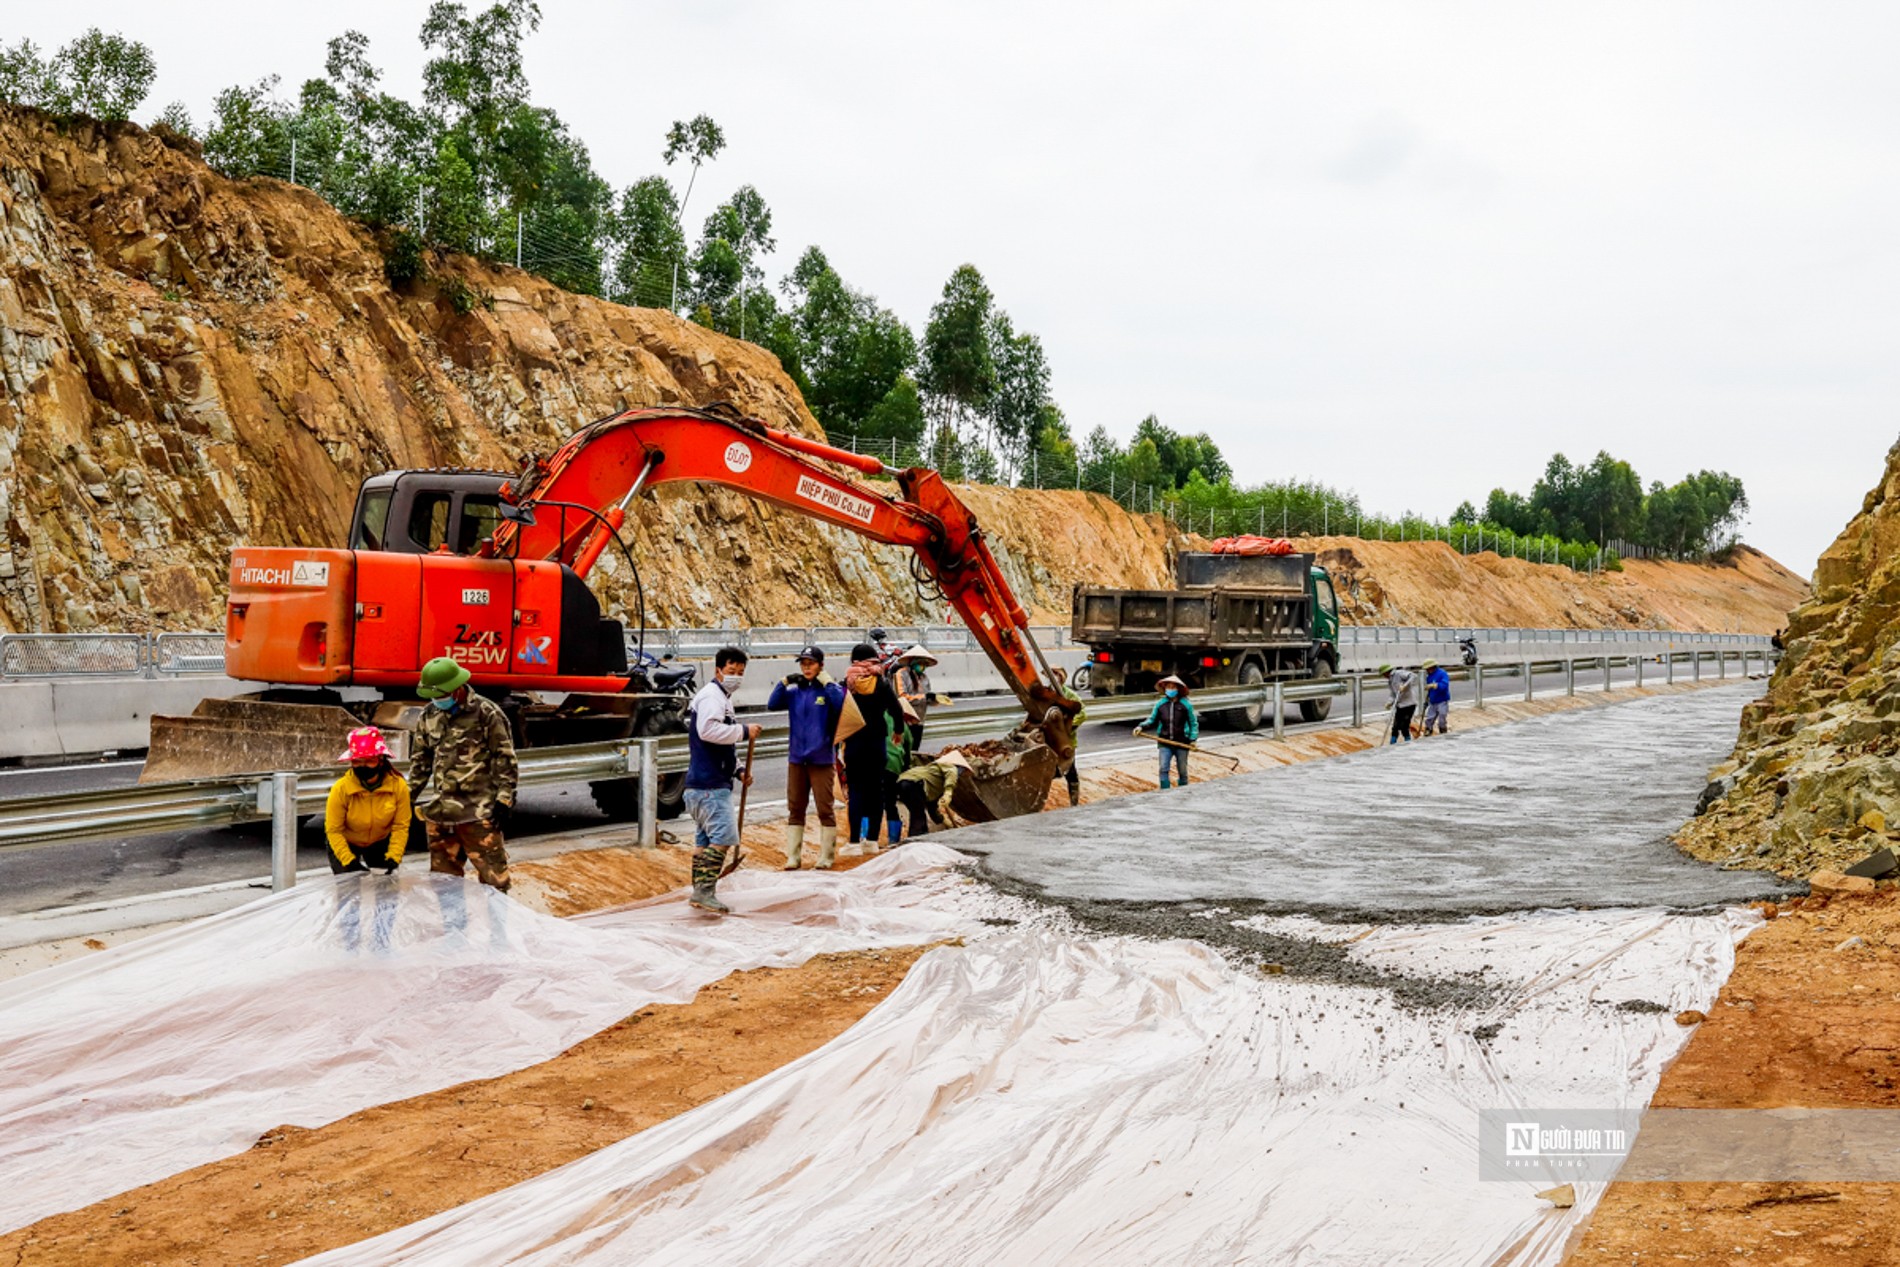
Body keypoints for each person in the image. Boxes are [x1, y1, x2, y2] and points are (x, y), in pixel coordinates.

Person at [411, 657, 517, 891]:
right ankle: (452, 927)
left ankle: (496, 928)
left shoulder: (486, 713)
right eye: (434, 697)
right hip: (441, 815)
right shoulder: (428, 716)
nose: (438, 701)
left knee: (494, 883)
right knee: (444, 884)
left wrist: (504, 798)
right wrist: (407, 797)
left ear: (457, 688)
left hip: (478, 814)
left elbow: (504, 757)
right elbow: (420, 762)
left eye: (442, 695)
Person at [685, 646, 763, 913]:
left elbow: (723, 745)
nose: (736, 676)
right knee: (724, 836)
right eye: (731, 670)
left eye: (740, 672)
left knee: (704, 841)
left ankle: (699, 891)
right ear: (718, 670)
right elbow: (708, 731)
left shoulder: (722, 698)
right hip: (709, 786)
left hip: (704, 783)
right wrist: (743, 730)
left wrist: (738, 769)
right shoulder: (711, 697)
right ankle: (704, 892)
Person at [767, 645, 843, 870]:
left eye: (811, 663)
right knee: (795, 807)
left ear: (821, 665)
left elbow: (840, 704)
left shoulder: (828, 692)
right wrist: (784, 682)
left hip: (821, 759)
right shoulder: (794, 692)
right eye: (803, 663)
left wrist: (828, 683)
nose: (807, 667)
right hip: (797, 758)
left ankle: (826, 856)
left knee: (824, 808)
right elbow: (772, 704)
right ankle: (793, 856)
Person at [837, 643, 904, 851]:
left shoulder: (847, 684)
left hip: (855, 743)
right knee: (877, 791)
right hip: (877, 744)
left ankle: (855, 842)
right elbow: (897, 710)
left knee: (856, 791)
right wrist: (898, 731)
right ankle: (872, 841)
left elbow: (837, 712)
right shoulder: (881, 683)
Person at [324, 726, 411, 874]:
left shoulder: (398, 786)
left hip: (379, 841)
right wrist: (348, 861)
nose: (363, 766)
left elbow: (400, 826)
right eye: (357, 761)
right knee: (349, 889)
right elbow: (333, 830)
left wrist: (394, 856)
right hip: (346, 841)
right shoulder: (341, 789)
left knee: (385, 886)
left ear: (381, 760)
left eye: (369, 761)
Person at [895, 749, 971, 837]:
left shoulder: (935, 780)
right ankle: (915, 841)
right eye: (961, 770)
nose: (960, 773)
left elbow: (932, 807)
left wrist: (942, 820)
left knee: (918, 814)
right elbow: (951, 775)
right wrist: (948, 792)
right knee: (918, 817)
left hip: (902, 784)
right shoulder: (950, 767)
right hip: (914, 784)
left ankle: (921, 837)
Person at [1141, 675, 1199, 790]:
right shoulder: (1160, 704)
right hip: (1165, 742)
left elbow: (1193, 723)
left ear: (1178, 689)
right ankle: (1165, 791)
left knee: (1182, 770)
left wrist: (1193, 739)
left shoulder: (1185, 705)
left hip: (1182, 742)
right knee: (1163, 768)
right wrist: (1141, 727)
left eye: (1173, 687)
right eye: (1168, 687)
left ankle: (1183, 789)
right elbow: (1152, 719)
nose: (1170, 689)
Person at [1049, 665, 1088, 806]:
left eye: (1056, 674)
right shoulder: (1047, 695)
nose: (1053, 677)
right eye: (1051, 674)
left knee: (1070, 771)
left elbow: (1082, 714)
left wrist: (1067, 728)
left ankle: (1074, 802)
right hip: (1048, 740)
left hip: (1066, 741)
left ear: (1061, 677)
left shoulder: (1070, 696)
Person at [894, 645, 940, 749]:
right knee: (905, 749)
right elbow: (902, 697)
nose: (922, 666)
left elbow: (926, 698)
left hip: (919, 719)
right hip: (906, 719)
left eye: (924, 664)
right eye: (920, 663)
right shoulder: (901, 674)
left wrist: (933, 699)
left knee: (915, 749)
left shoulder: (924, 678)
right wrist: (923, 697)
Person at [1378, 662, 1417, 744]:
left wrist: (1405, 686)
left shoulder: (1399, 674)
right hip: (1400, 705)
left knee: (1404, 726)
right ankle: (1392, 742)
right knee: (1395, 726)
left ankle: (1408, 741)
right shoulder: (1390, 681)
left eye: (1383, 674)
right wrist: (1389, 702)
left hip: (1409, 704)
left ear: (1386, 672)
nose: (1383, 676)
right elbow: (1393, 694)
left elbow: (1413, 676)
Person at [1421, 658, 1452, 736]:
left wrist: (1436, 685)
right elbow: (1430, 691)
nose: (1427, 670)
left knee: (1442, 716)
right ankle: (1428, 730)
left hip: (1442, 700)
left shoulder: (1442, 673)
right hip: (1433, 701)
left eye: (1428, 669)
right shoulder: (1429, 677)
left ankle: (1443, 731)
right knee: (1429, 718)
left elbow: (1445, 685)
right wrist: (1427, 700)